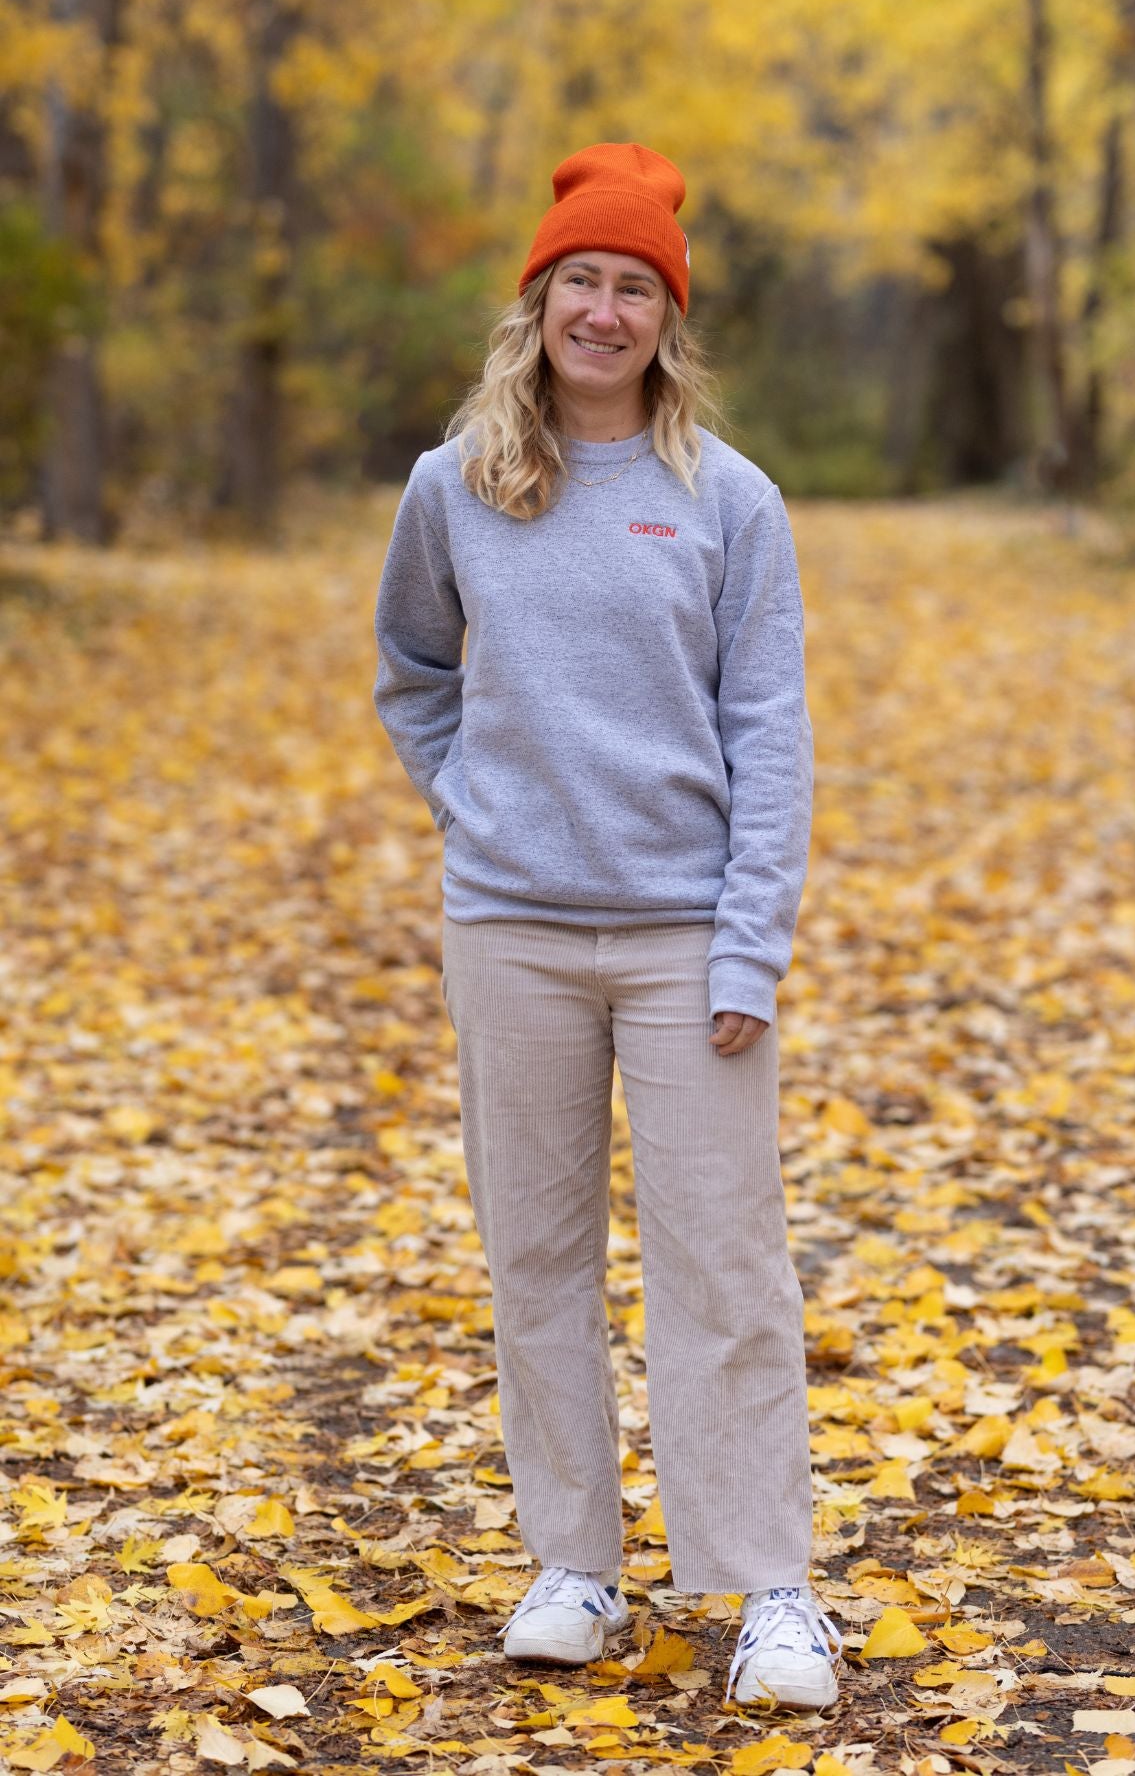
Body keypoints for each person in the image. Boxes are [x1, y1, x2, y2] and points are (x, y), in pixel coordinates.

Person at [372, 141, 842, 1710]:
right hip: (508, 930)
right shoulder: (458, 487)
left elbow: (769, 734)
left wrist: (746, 943)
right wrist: (476, 808)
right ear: (539, 300)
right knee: (538, 1257)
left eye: (635, 287)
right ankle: (572, 1559)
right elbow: (415, 673)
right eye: (583, 278)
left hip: (678, 939)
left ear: (667, 319)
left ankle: (768, 1586)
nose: (605, 308)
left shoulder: (728, 500)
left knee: (725, 1264)